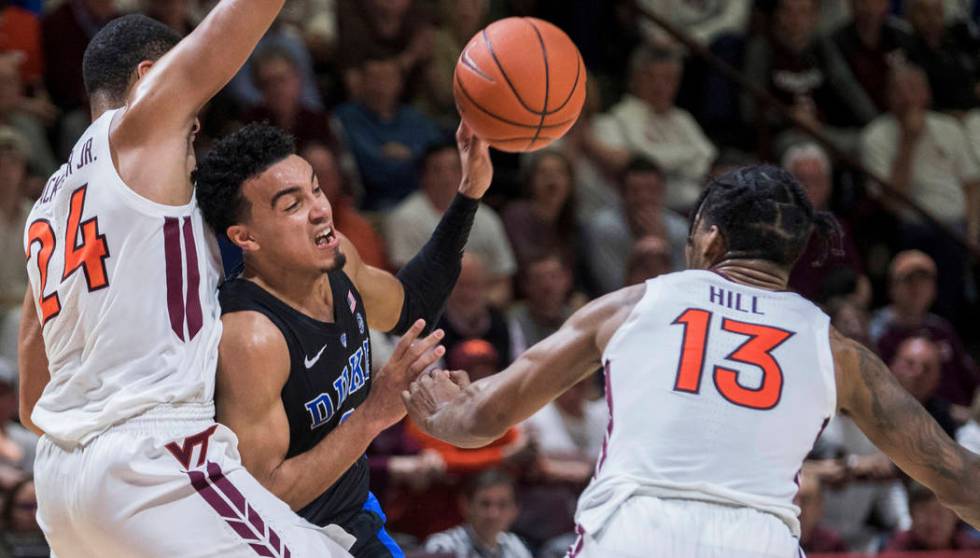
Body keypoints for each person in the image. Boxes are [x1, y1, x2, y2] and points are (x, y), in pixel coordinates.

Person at [404, 165, 980, 557]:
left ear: (708, 238)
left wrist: (437, 409)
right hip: (760, 538)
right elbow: (955, 478)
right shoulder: (836, 350)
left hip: (639, 527)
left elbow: (480, 420)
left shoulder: (635, 304)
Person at [17, 7, 355, 557]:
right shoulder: (138, 132)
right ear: (151, 81)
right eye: (191, 113)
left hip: (62, 478)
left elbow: (33, 401)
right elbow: (230, 26)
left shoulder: (47, 208)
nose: (194, 128)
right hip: (153, 458)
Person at [192, 119, 493, 558]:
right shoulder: (252, 338)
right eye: (292, 205)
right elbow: (260, 499)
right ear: (246, 237)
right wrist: (375, 412)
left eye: (315, 189)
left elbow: (410, 307)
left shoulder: (337, 260)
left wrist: (469, 192)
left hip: (349, 516)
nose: (320, 209)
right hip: (281, 540)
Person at [423, 469, 533, 558]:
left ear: (515, 510)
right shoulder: (443, 547)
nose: (493, 514)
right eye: (485, 504)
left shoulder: (516, 546)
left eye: (502, 505)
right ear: (466, 506)